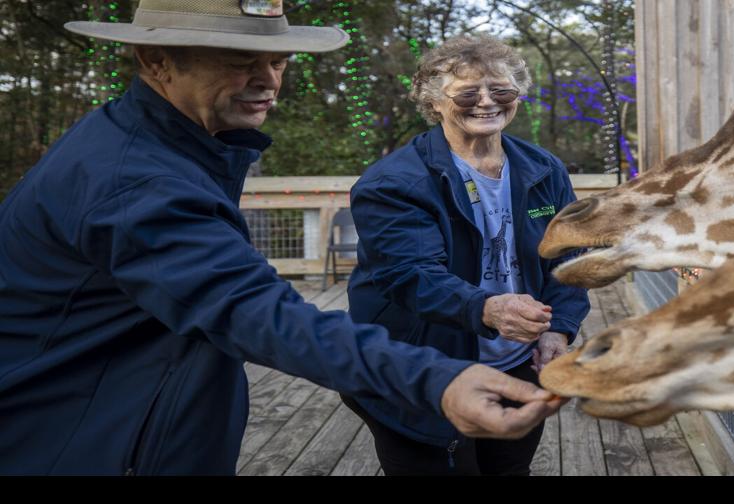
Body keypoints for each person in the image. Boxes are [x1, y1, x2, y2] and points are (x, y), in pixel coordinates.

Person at [0, 0, 560, 476]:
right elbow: (256, 311)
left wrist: (559, 324)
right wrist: (438, 379)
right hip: (83, 437)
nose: (267, 81)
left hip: (145, 414)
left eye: (277, 60)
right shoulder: (135, 180)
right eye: (241, 62)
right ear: (156, 60)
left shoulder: (179, 144)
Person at [341, 35, 590, 475]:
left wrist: (560, 331)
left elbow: (569, 260)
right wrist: (488, 308)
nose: (486, 102)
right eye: (468, 92)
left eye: (501, 91)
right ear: (434, 101)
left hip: (516, 367)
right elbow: (410, 275)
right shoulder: (394, 182)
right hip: (420, 370)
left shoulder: (544, 169)